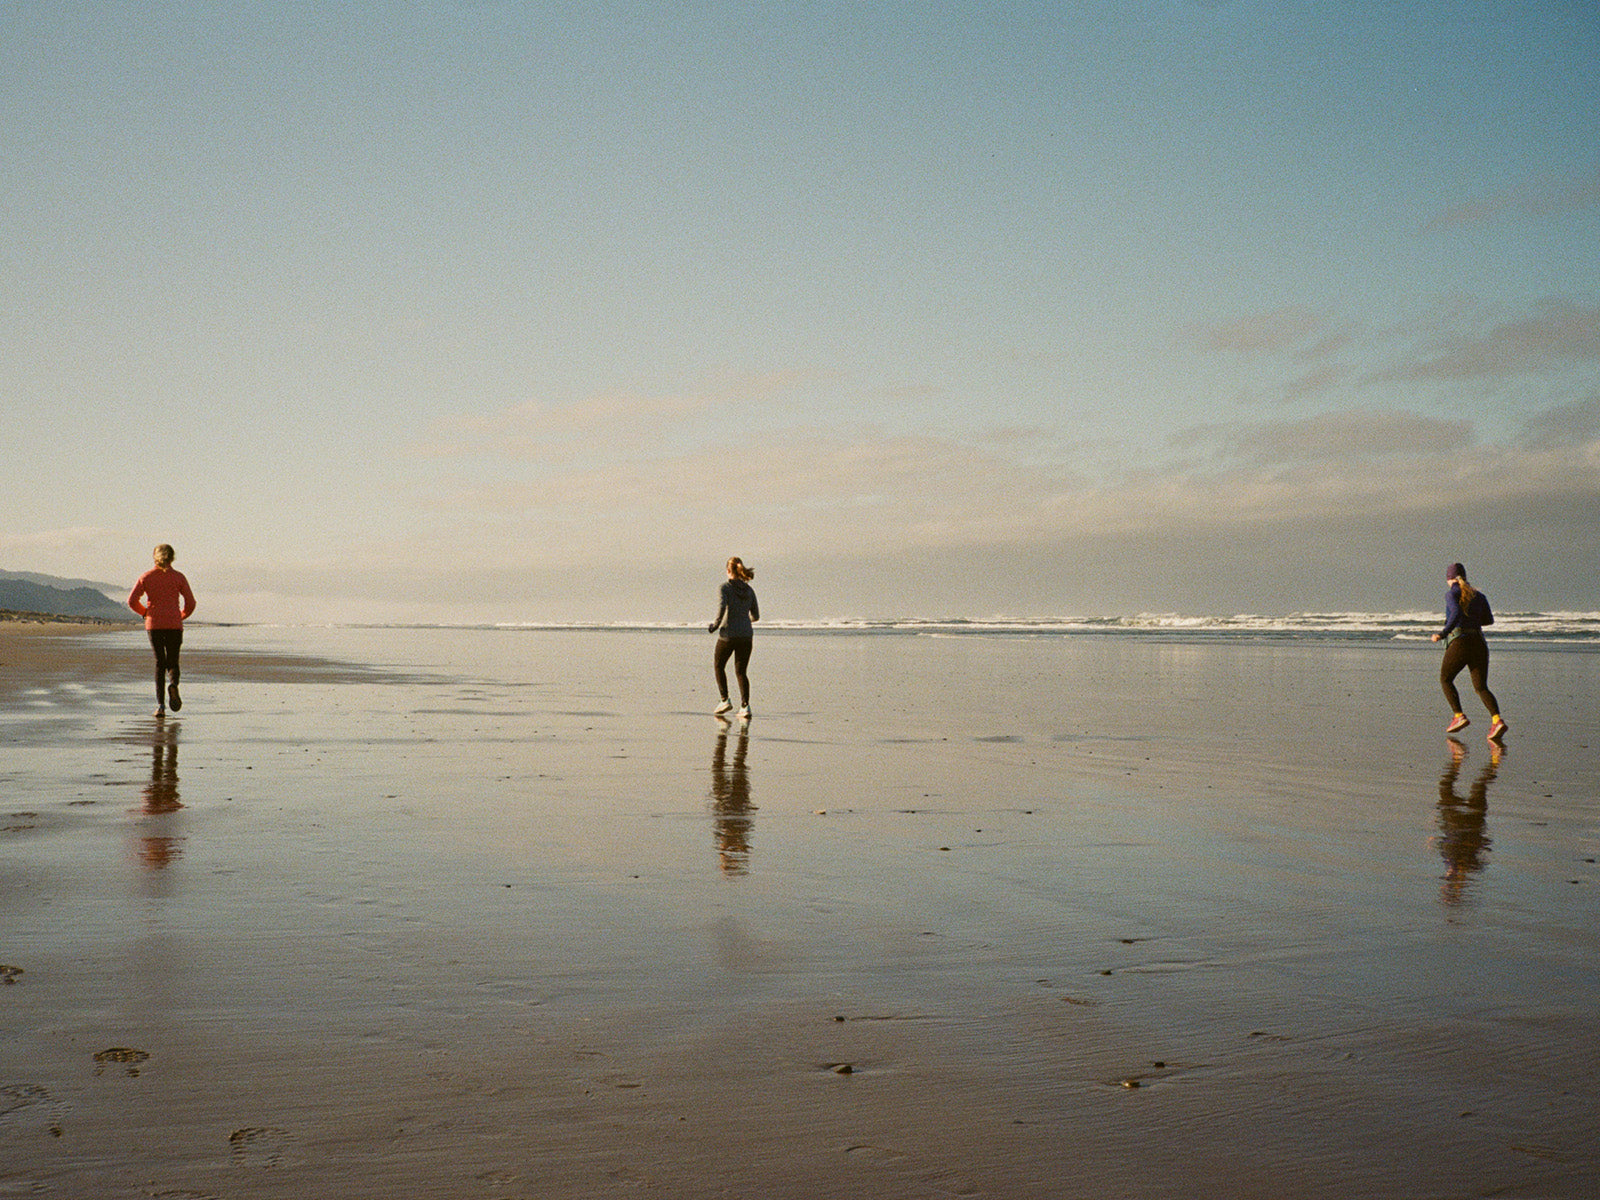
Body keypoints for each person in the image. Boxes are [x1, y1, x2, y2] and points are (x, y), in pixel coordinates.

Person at [1430, 562, 1507, 741]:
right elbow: (1488, 620)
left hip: (1461, 642)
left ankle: (1458, 716)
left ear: (1449, 579)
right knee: (1481, 687)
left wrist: (1442, 634)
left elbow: (1456, 612)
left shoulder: (1452, 594)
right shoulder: (1479, 596)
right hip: (1479, 643)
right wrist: (1472, 618)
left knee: (1445, 679)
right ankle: (1497, 720)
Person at [127, 543, 197, 718]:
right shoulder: (179, 577)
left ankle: (160, 706)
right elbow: (191, 603)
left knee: (160, 663)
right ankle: (173, 685)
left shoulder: (147, 577)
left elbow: (132, 600)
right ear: (172, 558)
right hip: (174, 624)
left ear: (154, 557)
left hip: (155, 624)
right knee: (172, 662)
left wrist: (145, 613)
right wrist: (180, 616)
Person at [708, 556, 759, 719]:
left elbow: (722, 608)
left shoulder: (725, 588)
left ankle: (725, 700)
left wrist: (715, 625)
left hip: (728, 635)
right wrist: (743, 621)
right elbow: (756, 616)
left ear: (728, 571)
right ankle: (745, 706)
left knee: (718, 665)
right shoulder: (750, 590)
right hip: (746, 636)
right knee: (741, 671)